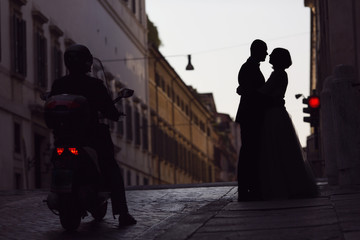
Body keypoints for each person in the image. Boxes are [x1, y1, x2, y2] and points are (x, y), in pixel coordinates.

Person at [50, 44, 137, 226]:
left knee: (55, 159)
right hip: (91, 137)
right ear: (86, 63)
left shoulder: (58, 84)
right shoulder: (95, 85)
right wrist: (116, 114)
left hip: (64, 138)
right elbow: (108, 110)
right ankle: (123, 213)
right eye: (89, 61)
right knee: (111, 167)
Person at [257, 48, 318, 200]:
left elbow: (264, 92)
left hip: (274, 114)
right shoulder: (281, 74)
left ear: (277, 59)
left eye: (272, 55)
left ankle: (282, 186)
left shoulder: (277, 74)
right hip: (278, 112)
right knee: (284, 149)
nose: (269, 56)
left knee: (276, 148)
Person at [235, 39, 268, 201]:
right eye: (264, 51)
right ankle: (248, 188)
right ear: (256, 51)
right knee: (249, 152)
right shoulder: (249, 68)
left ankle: (250, 187)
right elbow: (250, 91)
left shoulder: (250, 67)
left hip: (250, 114)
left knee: (250, 151)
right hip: (250, 115)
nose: (267, 54)